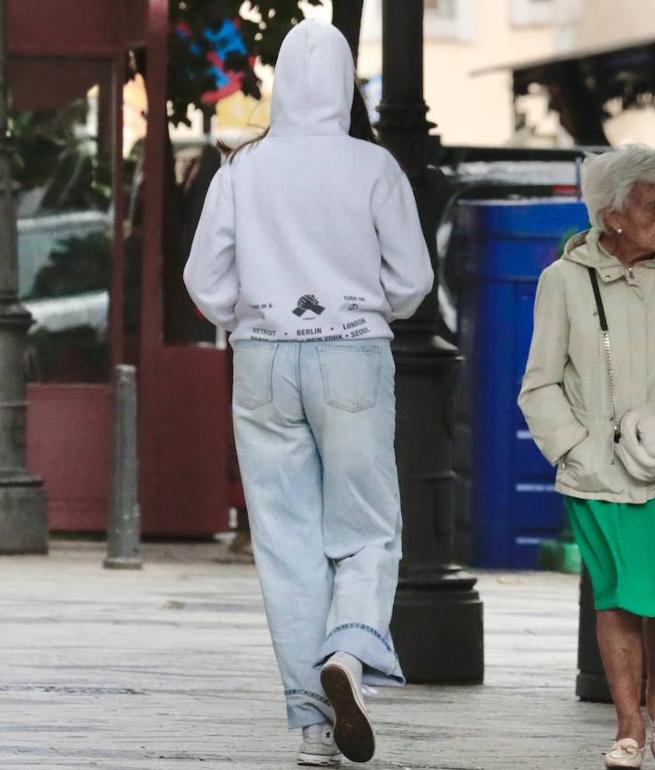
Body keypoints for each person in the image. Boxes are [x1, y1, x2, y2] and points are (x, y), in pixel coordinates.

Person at [183, 19, 433, 766]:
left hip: (262, 360)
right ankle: (350, 658)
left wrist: (252, 314)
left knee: (286, 543)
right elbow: (413, 281)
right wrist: (365, 307)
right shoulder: (374, 168)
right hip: (353, 355)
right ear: (348, 82)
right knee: (366, 529)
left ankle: (310, 728)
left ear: (283, 84)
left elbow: (204, 282)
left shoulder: (242, 170)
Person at [518, 146, 655, 769]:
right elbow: (540, 383)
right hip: (598, 472)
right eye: (654, 208)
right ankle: (627, 725)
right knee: (615, 594)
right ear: (613, 215)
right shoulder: (563, 281)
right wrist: (576, 449)